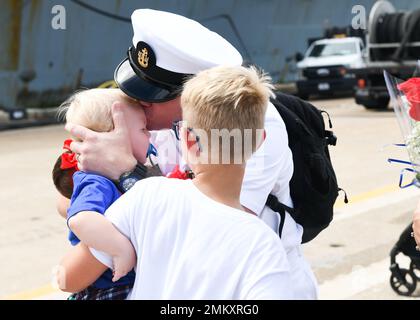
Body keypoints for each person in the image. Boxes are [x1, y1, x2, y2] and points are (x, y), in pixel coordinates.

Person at [65, 9, 317, 299]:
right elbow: (69, 207)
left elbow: (213, 225)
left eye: (152, 97)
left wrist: (125, 173)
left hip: (252, 283)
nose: (138, 103)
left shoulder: (255, 124)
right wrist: (89, 181)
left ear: (193, 94)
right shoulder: (158, 121)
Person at [53, 88, 152, 299]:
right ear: (111, 136)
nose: (150, 135)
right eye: (143, 129)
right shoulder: (97, 182)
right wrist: (120, 250)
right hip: (107, 290)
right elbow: (81, 219)